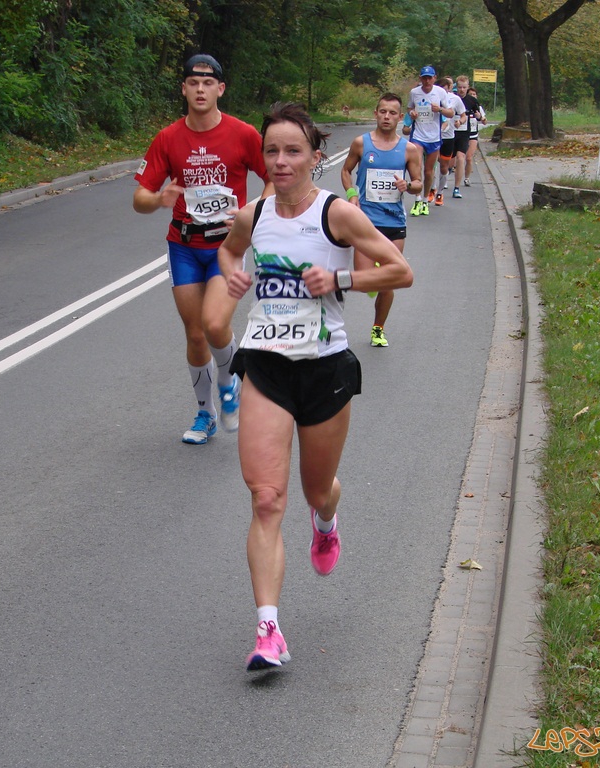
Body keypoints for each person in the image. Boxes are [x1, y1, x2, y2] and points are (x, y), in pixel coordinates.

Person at [216, 102, 414, 671]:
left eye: (292, 151)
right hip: (267, 364)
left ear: (314, 158)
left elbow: (400, 270)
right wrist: (232, 274)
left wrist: (343, 277)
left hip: (324, 367)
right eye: (271, 151)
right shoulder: (252, 215)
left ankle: (326, 521)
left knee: (314, 489)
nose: (280, 161)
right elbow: (231, 250)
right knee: (265, 497)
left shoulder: (337, 214)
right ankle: (268, 631)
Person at [133, 54, 273, 444]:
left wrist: (252, 212)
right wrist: (158, 198)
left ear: (220, 89)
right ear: (183, 88)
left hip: (225, 246)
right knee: (195, 335)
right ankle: (205, 413)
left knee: (215, 325)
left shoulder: (243, 134)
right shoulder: (168, 138)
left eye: (208, 83)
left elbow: (273, 177)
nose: (200, 89)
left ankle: (230, 384)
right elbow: (139, 198)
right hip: (183, 245)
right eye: (193, 82)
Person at [340, 92, 423, 348]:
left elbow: (419, 185)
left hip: (394, 223)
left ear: (400, 117)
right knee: (365, 279)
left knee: (388, 280)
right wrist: (352, 195)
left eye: (392, 113)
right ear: (376, 113)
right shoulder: (361, 144)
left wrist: (407, 185)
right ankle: (376, 280)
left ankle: (378, 328)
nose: (387, 117)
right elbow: (345, 170)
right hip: (365, 223)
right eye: (383, 111)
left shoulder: (409, 149)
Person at [407, 66, 455, 216]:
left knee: (429, 172)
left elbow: (451, 112)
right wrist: (412, 113)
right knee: (417, 167)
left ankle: (426, 200)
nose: (427, 81)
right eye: (424, 78)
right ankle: (417, 199)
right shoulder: (414, 92)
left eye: (430, 78)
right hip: (418, 136)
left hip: (434, 137)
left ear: (434, 78)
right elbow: (409, 108)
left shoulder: (440, 92)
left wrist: (439, 110)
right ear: (420, 78)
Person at [431, 77, 466, 204]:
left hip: (448, 137)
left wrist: (460, 122)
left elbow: (463, 115)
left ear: (449, 89)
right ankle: (431, 189)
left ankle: (440, 193)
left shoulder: (455, 99)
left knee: (444, 167)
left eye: (446, 89)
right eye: (441, 89)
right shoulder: (432, 97)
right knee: (431, 164)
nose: (443, 92)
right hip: (433, 137)